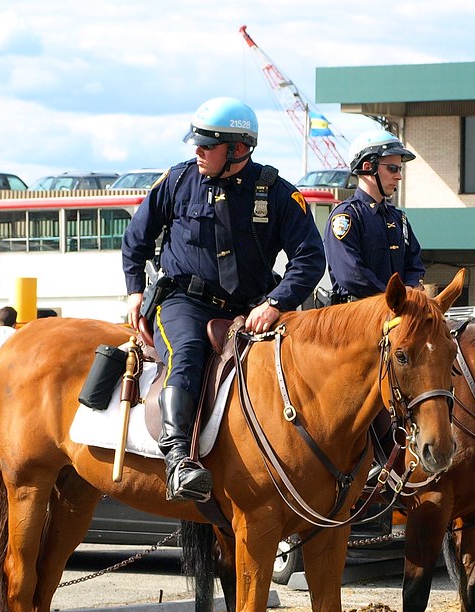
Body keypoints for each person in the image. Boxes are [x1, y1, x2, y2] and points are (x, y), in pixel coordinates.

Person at [122, 97, 325, 502]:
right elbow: (136, 239)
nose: (196, 151)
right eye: (196, 143)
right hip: (184, 302)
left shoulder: (279, 193)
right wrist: (134, 291)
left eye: (207, 145)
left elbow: (310, 257)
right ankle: (179, 459)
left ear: (237, 150)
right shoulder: (178, 181)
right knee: (189, 352)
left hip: (252, 310)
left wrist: (276, 303)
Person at [323, 128, 424, 302]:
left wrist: (410, 288)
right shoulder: (346, 217)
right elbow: (351, 275)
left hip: (397, 315)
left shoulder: (399, 218)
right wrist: (394, 297)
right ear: (367, 167)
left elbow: (415, 264)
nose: (399, 176)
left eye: (400, 169)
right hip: (357, 319)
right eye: (392, 169)